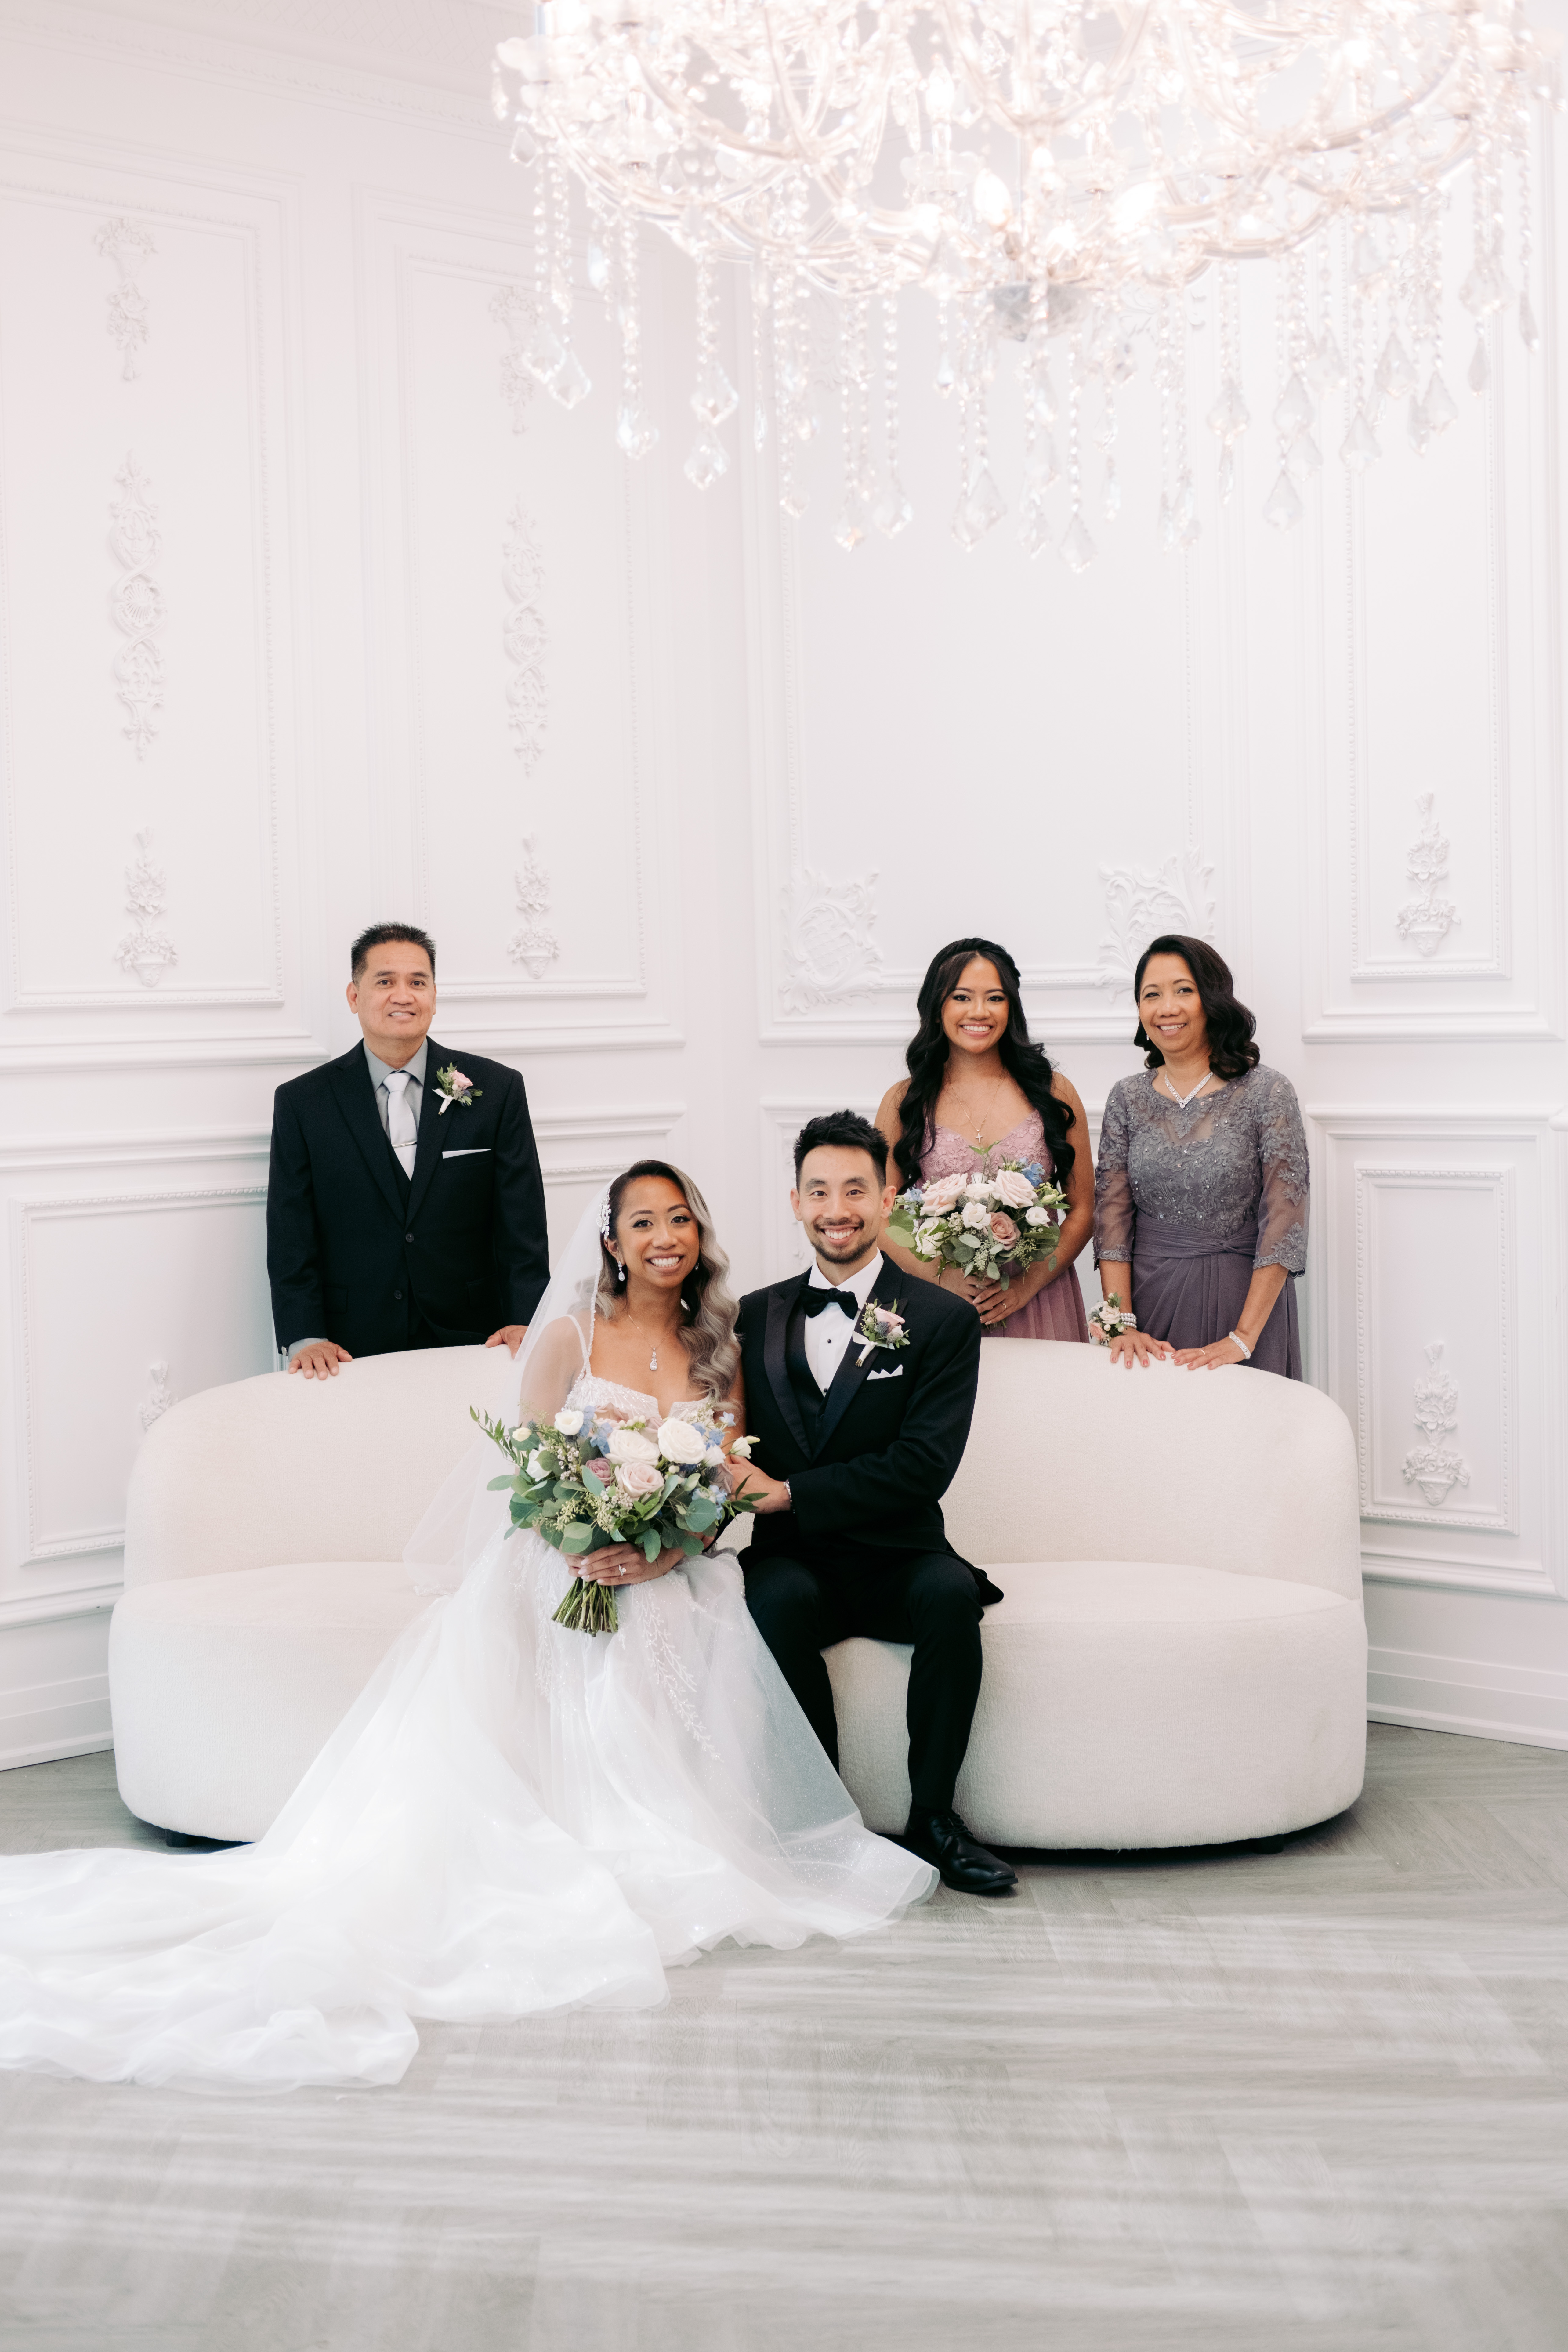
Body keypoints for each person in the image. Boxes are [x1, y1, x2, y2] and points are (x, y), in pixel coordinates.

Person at [0, 1163, 934, 2091]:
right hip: (562, 1560)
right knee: (581, 1629)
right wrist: (588, 1538)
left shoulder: (719, 1345)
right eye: (644, 1221)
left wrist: (661, 1549)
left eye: (680, 1219)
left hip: (670, 1565)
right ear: (612, 1242)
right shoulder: (571, 1336)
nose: (665, 1237)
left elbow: (724, 1475)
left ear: (700, 1235)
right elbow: (532, 1473)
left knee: (688, 1609)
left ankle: (666, 1826)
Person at [733, 1110, 1016, 1899]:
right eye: (819, 1190)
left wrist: (791, 1493)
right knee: (771, 1600)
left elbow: (924, 1465)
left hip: (901, 1551)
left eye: (856, 1189)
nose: (837, 1208)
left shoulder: (943, 1319)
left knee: (950, 1597)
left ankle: (935, 1820)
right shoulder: (750, 1315)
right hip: (793, 1557)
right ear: (795, 1202)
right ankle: (822, 1827)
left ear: (887, 1198)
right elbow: (722, 1429)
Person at [266, 922, 550, 1377]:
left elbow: (523, 1225)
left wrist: (526, 1319)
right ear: (354, 996)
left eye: (418, 982)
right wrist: (306, 1335)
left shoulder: (498, 1090)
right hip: (346, 1347)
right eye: (385, 981)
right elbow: (290, 1234)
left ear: (434, 996)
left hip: (476, 1337)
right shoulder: (302, 1102)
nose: (404, 996)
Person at [1093, 934, 1309, 1377]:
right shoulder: (1126, 1098)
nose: (1166, 1008)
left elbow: (1284, 1219)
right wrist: (1120, 1324)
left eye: (1183, 990)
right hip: (1149, 1309)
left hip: (1243, 1305)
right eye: (1151, 995)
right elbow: (1111, 1217)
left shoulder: (1267, 1091)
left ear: (1211, 999)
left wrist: (1243, 1337)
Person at [875, 937, 1092, 1341]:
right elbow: (879, 1213)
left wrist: (1026, 1285)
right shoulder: (903, 1101)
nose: (979, 1011)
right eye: (962, 997)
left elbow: (1083, 1210)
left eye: (995, 998)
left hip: (1039, 1299)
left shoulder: (1054, 1092)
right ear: (936, 1007)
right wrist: (938, 1278)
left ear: (1012, 1007)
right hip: (939, 1302)